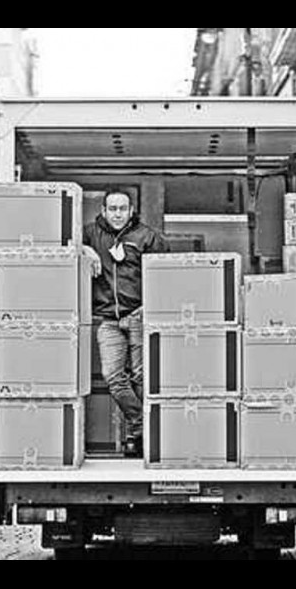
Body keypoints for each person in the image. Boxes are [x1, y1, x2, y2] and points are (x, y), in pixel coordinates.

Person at [82, 191, 169, 458]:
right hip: (108, 319)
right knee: (113, 377)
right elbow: (62, 245)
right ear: (103, 210)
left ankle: (138, 437)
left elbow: (166, 274)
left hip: (139, 316)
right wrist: (85, 250)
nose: (117, 213)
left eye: (122, 208)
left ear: (131, 210)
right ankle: (144, 426)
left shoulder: (148, 237)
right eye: (112, 208)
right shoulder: (89, 234)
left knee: (142, 378)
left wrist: (149, 306)